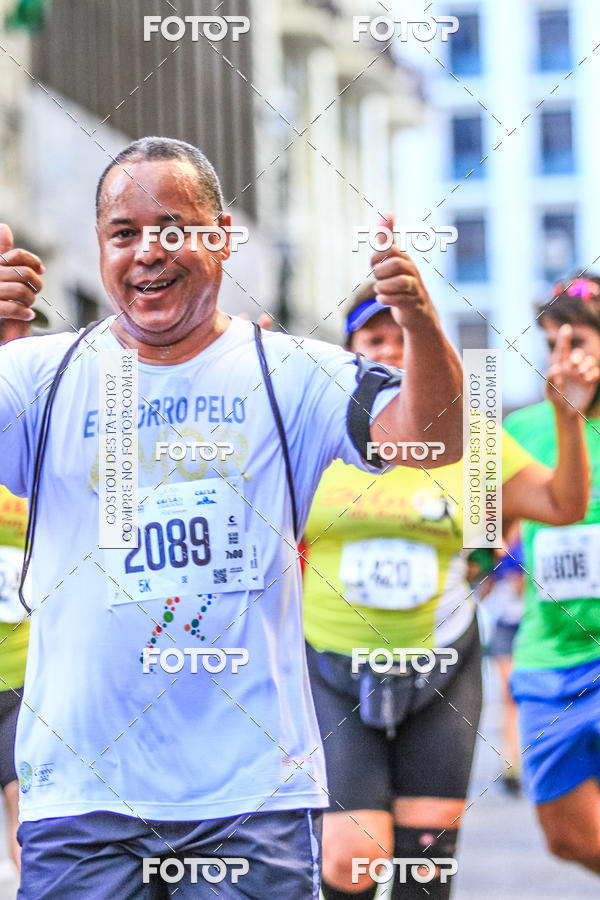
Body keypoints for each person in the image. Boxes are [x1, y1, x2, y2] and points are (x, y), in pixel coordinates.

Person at [0, 136, 464, 899]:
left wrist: (417, 320)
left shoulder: (290, 376)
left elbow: (437, 436)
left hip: (250, 803)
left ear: (219, 239)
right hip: (79, 799)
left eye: (174, 228)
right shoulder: (42, 376)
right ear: (101, 249)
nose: (148, 251)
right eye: (124, 233)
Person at [301, 281, 595, 899]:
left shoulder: (470, 440)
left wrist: (568, 415)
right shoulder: (316, 433)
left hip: (440, 665)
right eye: (375, 338)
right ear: (350, 351)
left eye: (408, 338)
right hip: (330, 668)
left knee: (426, 862)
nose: (393, 352)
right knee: (351, 860)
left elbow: (562, 505)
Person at [504, 275, 600, 874]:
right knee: (567, 836)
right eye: (549, 343)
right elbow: (480, 542)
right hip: (549, 656)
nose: (561, 357)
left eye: (577, 341)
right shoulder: (518, 429)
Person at [486, 527, 525, 795]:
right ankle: (511, 763)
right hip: (504, 625)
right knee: (508, 693)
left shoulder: (533, 531)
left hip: (533, 624)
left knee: (527, 693)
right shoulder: (494, 535)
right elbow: (485, 584)